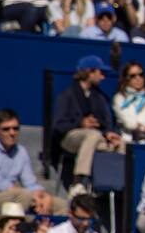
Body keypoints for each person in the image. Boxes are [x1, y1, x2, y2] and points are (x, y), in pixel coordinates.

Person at [51, 56, 123, 195]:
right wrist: (81, 123)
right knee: (92, 135)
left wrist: (109, 133)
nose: (102, 77)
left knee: (121, 144)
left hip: (95, 138)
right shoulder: (67, 95)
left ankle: (115, 187)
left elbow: (106, 122)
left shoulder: (99, 97)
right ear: (90, 72)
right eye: (100, 73)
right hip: (70, 138)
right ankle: (78, 181)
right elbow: (58, 125)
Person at [0, 107, 66, 214]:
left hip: (15, 194)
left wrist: (43, 195)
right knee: (24, 196)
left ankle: (44, 229)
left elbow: (30, 182)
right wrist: (31, 195)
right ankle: (19, 228)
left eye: (15, 128)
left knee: (59, 204)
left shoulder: (21, 151)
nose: (12, 133)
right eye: (6, 129)